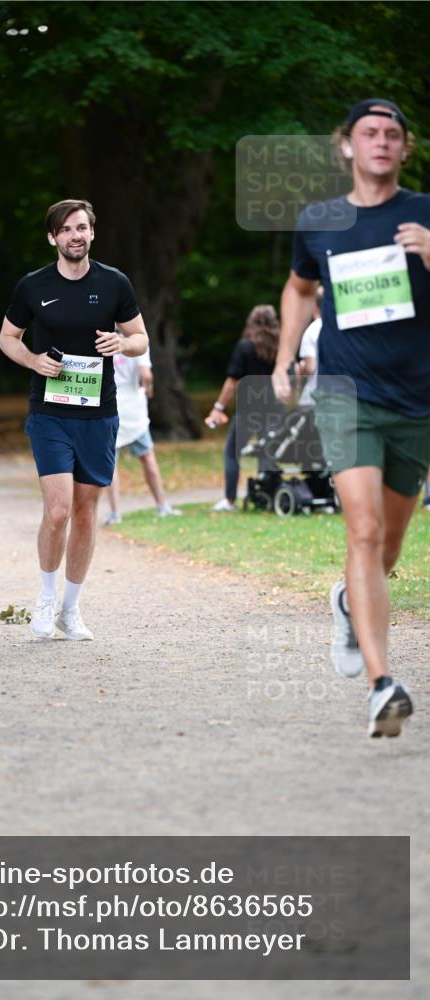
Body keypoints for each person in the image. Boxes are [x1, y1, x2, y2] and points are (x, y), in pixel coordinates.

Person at [272, 98, 430, 738]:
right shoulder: (320, 221)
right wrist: (285, 357)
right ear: (347, 145)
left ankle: (346, 600)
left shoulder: (426, 214)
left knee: (386, 548)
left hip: (417, 400)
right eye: (370, 132)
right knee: (363, 531)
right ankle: (381, 684)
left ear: (405, 148)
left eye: (392, 134)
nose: (381, 142)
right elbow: (298, 288)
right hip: (346, 393)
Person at [0, 198, 149, 640]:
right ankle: (46, 598)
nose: (75, 235)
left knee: (86, 513)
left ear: (92, 232)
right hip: (50, 412)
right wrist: (33, 361)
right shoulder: (33, 285)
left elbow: (141, 337)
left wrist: (122, 344)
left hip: (99, 414)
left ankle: (71, 608)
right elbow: (7, 338)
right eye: (65, 229)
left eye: (81, 227)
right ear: (53, 238)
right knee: (58, 509)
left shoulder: (114, 282)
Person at [205, 305, 281, 511]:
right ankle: (269, 496)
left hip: (248, 410)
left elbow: (232, 381)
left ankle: (229, 500)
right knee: (268, 451)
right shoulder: (281, 348)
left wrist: (218, 408)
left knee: (233, 452)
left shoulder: (245, 347)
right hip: (274, 409)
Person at [104, 345, 181, 524]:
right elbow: (146, 375)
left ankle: (115, 513)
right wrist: (149, 390)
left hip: (110, 404)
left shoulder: (105, 341)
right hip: (133, 407)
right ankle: (162, 505)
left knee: (111, 462)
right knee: (147, 457)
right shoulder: (138, 341)